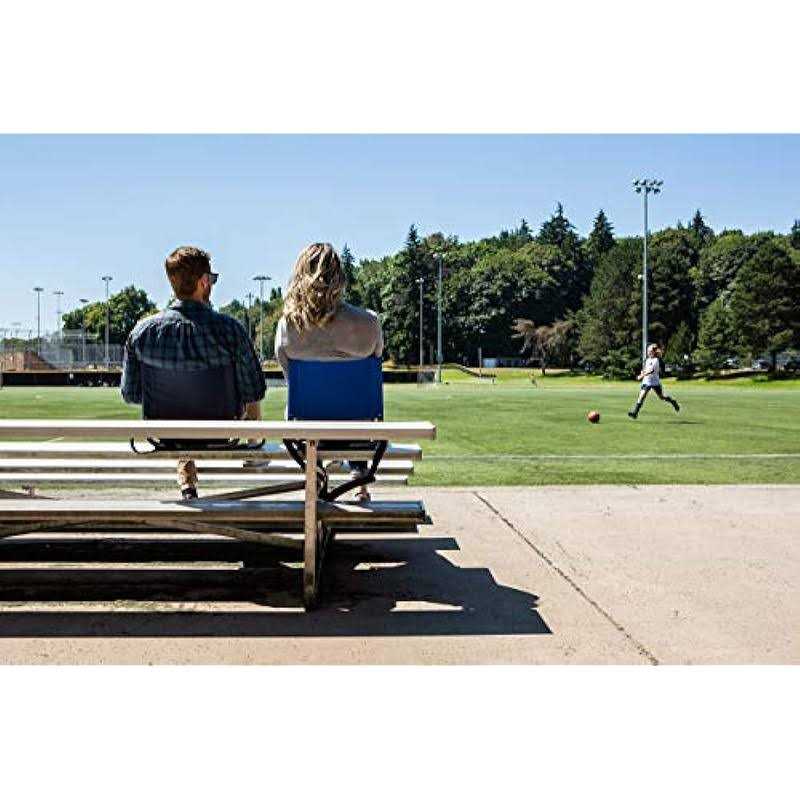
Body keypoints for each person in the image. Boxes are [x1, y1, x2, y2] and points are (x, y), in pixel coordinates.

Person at [121, 246, 266, 499]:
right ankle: (254, 451)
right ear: (203, 282)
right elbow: (254, 389)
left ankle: (187, 477)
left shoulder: (141, 332)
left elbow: (131, 395)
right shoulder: (231, 330)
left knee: (180, 415)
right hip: (222, 431)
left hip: (166, 434)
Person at [274, 242, 383, 500]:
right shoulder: (369, 322)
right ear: (340, 279)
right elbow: (372, 370)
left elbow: (291, 379)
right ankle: (358, 476)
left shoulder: (287, 327)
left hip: (308, 432)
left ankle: (317, 474)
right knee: (357, 402)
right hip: (359, 433)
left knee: (307, 407)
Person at [628, 343, 680, 419]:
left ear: (653, 352)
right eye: (647, 350)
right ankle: (635, 413)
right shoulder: (647, 360)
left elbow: (651, 370)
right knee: (641, 396)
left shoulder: (656, 360)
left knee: (662, 397)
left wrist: (641, 376)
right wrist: (642, 372)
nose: (647, 352)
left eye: (649, 351)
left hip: (655, 382)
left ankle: (673, 402)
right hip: (647, 382)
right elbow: (646, 369)